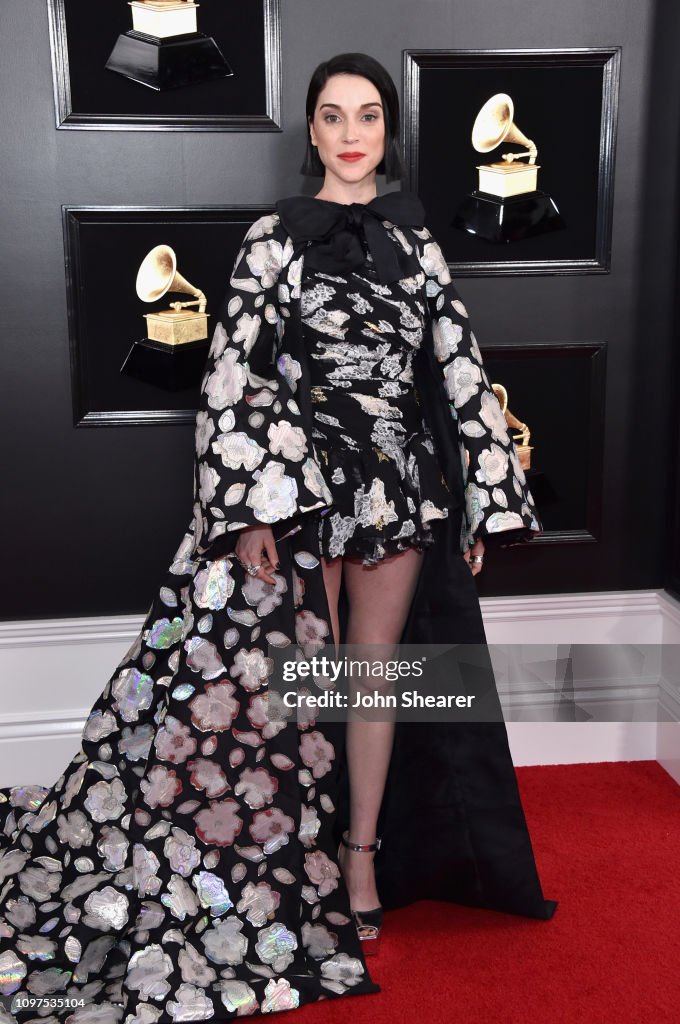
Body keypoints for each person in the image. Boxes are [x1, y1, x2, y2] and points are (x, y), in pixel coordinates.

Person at [0, 52, 556, 1023]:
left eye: (368, 115)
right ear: (310, 131)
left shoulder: (418, 243)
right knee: (302, 684)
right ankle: (295, 862)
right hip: (304, 484)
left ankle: (357, 863)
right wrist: (252, 505)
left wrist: (485, 502)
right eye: (333, 115)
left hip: (394, 485)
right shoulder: (270, 240)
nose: (350, 132)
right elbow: (233, 371)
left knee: (375, 676)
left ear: (387, 132)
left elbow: (456, 365)